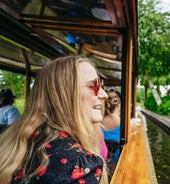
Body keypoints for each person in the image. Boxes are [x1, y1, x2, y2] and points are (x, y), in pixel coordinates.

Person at [0, 56, 109, 184]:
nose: (104, 95)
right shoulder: (78, 166)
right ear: (65, 96)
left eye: (101, 85)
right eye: (93, 86)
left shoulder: (14, 143)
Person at [101, 89, 136, 178]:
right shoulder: (129, 124)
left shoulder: (97, 123)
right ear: (118, 105)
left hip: (101, 169)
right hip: (118, 169)